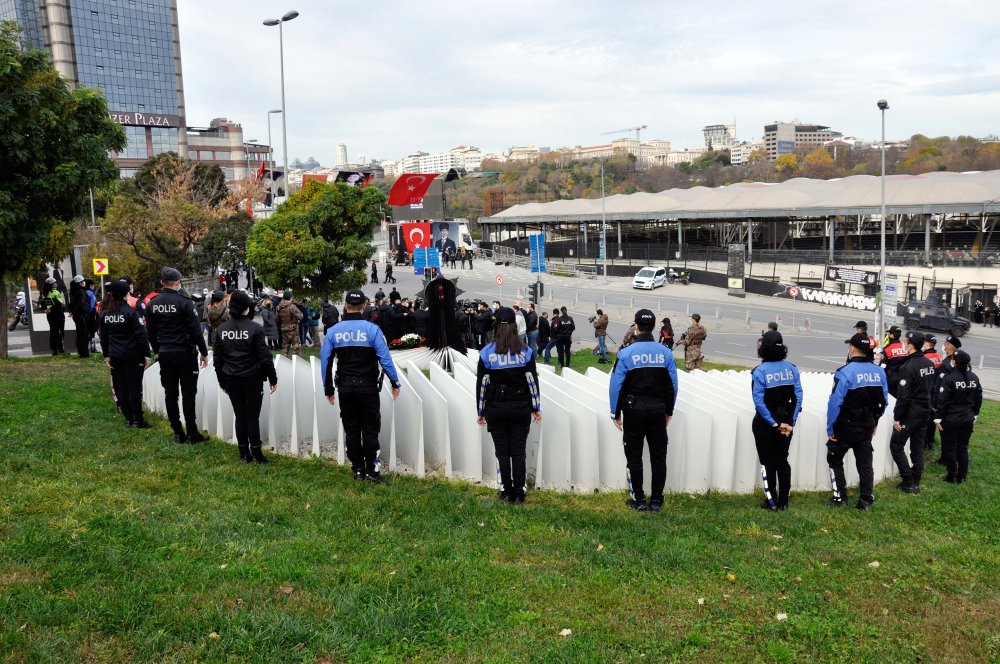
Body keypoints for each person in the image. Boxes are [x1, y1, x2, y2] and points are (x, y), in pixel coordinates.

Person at [321, 289, 401, 483]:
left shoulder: (333, 331)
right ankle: (372, 471)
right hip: (368, 387)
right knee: (371, 429)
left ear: (346, 306)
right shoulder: (372, 330)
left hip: (346, 388)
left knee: (352, 429)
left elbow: (326, 362)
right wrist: (394, 381)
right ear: (364, 306)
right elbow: (386, 359)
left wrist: (328, 389)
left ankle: (357, 470)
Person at [609, 309, 679, 512]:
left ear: (636, 326)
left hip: (634, 411)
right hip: (658, 410)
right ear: (655, 327)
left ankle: (638, 500)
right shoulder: (665, 353)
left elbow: (616, 385)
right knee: (659, 456)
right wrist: (669, 410)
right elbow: (672, 385)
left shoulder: (625, 353)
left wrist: (616, 412)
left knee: (634, 456)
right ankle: (656, 501)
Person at [476, 307, 542, 503]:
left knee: (502, 451)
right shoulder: (526, 352)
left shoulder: (487, 353)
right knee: (518, 450)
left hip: (495, 408)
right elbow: (532, 382)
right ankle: (520, 493)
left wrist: (480, 412)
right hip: (520, 407)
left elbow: (482, 386)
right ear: (515, 326)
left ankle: (505, 491)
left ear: (496, 325)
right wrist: (536, 408)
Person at [145, 267, 209, 444]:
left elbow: (150, 333)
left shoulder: (152, 304)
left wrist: (158, 350)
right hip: (185, 353)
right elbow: (196, 330)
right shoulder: (184, 302)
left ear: (162, 283)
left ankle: (178, 433)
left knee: (170, 394)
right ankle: (192, 433)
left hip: (165, 353)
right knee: (188, 394)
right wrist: (204, 352)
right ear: (177, 283)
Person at [213, 290, 278, 464]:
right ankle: (256, 453)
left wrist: (222, 381)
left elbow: (217, 360)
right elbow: (265, 356)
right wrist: (273, 378)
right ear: (246, 309)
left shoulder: (221, 329)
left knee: (240, 415)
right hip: (252, 378)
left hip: (231, 378)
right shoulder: (255, 328)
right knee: (252, 417)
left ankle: (244, 454)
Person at [825, 334, 888, 510]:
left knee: (834, 460)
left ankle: (840, 498)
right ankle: (866, 500)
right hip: (867, 426)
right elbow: (884, 401)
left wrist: (830, 428)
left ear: (852, 349)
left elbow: (834, 404)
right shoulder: (879, 372)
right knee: (865, 464)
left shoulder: (844, 372)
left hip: (845, 427)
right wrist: (874, 421)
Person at [751, 331, 802, 511]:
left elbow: (758, 401)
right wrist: (790, 423)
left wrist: (774, 424)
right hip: (786, 421)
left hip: (766, 423)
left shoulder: (759, 371)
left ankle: (771, 502)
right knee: (782, 460)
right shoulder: (792, 368)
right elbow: (798, 398)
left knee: (767, 462)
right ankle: (784, 502)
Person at [99, 279, 152, 428]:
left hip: (115, 355)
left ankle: (128, 419)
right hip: (133, 356)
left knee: (122, 388)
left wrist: (106, 356)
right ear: (126, 294)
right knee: (134, 388)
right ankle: (138, 420)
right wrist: (147, 355)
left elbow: (103, 338)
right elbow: (141, 336)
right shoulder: (131, 313)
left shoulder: (105, 314)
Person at [888, 332, 936, 494]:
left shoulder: (908, 367)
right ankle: (916, 479)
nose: (904, 344)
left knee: (896, 446)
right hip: (925, 411)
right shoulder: (928, 363)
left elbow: (903, 397)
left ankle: (908, 481)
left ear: (910, 345)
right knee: (917, 447)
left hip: (911, 414)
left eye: (906, 342)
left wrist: (897, 418)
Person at [935, 350, 983, 484]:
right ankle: (962, 476)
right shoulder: (974, 377)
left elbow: (942, 401)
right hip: (967, 418)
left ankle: (951, 475)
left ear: (954, 362)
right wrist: (975, 414)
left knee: (950, 448)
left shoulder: (949, 378)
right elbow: (979, 398)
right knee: (962, 447)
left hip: (951, 419)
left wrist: (938, 418)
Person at [41, 277, 65, 355]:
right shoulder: (55, 292)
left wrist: (46, 309)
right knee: (59, 332)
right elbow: (59, 304)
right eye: (54, 283)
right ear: (51, 285)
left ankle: (54, 349)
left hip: (50, 315)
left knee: (53, 332)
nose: (56, 284)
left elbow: (43, 304)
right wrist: (50, 308)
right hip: (58, 314)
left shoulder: (45, 293)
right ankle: (59, 349)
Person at [68, 275, 91, 357]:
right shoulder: (81, 291)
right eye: (82, 281)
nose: (83, 283)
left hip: (77, 315)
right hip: (82, 315)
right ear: (79, 283)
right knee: (84, 334)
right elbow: (81, 303)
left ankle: (81, 351)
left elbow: (72, 304)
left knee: (79, 333)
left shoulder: (73, 291)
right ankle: (84, 353)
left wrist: (72, 311)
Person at [276, 291, 304, 357]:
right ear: (290, 297)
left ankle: (284, 363)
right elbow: (301, 316)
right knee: (296, 347)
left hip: (284, 329)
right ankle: (297, 363)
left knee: (285, 347)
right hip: (293, 329)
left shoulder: (278, 307)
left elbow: (277, 319)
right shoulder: (292, 306)